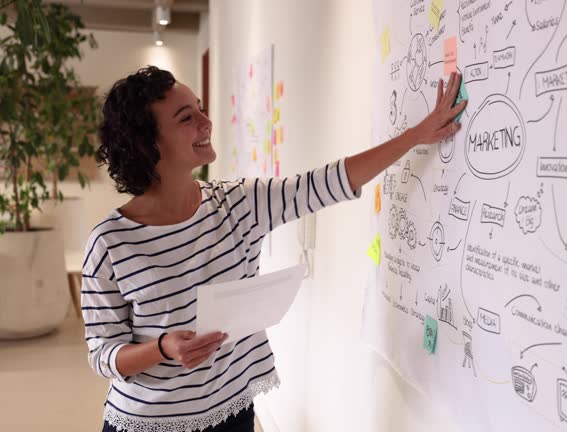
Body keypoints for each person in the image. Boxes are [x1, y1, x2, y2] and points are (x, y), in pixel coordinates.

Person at [82, 65, 466, 432]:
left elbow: (327, 182)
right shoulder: (111, 243)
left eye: (201, 108)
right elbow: (103, 355)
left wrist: (417, 135)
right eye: (186, 118)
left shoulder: (238, 204)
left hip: (232, 410)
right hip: (150, 423)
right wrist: (162, 348)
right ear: (147, 144)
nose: (206, 122)